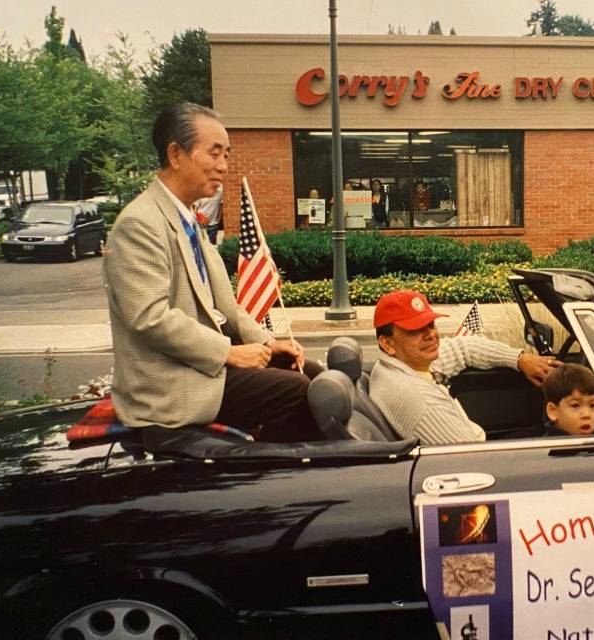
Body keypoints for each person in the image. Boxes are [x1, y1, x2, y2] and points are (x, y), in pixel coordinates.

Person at [103, 102, 324, 442]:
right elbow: (149, 317)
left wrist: (267, 342)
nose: (223, 166)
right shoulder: (140, 223)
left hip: (202, 366)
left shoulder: (189, 220)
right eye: (215, 154)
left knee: (313, 374)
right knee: (296, 390)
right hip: (170, 386)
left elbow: (227, 308)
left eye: (226, 155)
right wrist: (229, 352)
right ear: (176, 154)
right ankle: (277, 479)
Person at [369, 289, 559, 445]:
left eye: (430, 325)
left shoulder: (405, 363)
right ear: (387, 343)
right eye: (415, 330)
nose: (431, 335)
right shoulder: (417, 398)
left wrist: (520, 358)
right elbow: (469, 455)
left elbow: (464, 347)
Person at [543, 363, 594, 437]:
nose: (586, 414)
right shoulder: (549, 446)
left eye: (592, 405)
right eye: (575, 406)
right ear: (553, 411)